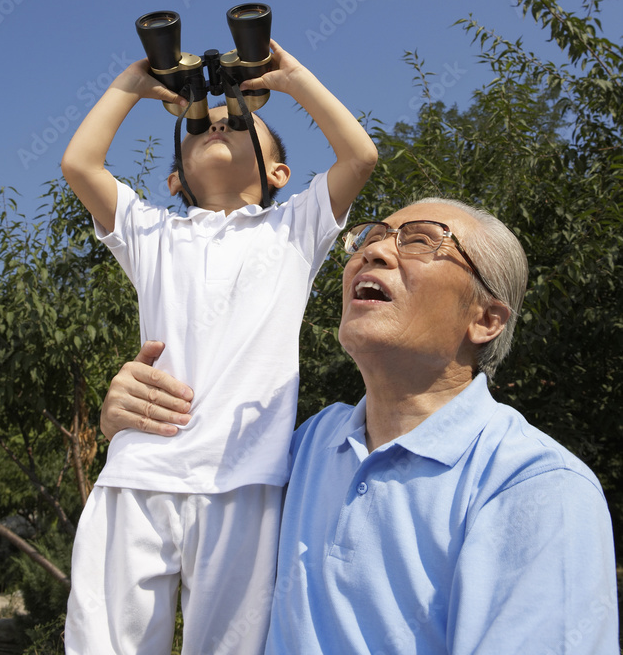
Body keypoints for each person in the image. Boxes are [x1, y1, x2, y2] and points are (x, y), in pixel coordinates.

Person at [102, 199, 620, 654]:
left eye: (420, 241)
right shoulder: (303, 447)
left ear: (485, 320)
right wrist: (132, 423)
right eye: (369, 238)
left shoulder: (535, 487)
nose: (373, 252)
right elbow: (191, 477)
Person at [60, 38, 378, 655]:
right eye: (201, 124)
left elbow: (359, 155)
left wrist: (290, 77)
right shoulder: (152, 232)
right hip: (140, 472)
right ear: (176, 178)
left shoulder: (295, 227)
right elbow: (81, 164)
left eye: (238, 118)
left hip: (246, 478)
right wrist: (133, 81)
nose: (218, 123)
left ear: (280, 174)